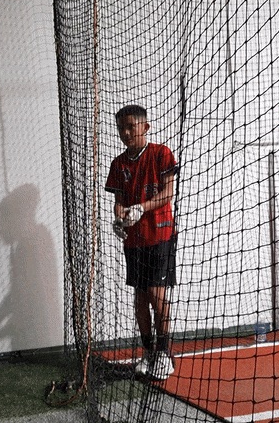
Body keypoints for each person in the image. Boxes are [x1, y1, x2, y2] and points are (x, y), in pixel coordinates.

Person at [104, 104, 178, 381]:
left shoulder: (161, 153)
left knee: (157, 294)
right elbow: (119, 202)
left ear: (145, 127)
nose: (125, 133)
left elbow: (168, 193)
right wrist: (119, 219)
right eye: (121, 128)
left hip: (159, 233)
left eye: (130, 127)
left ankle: (165, 353)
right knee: (140, 296)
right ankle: (148, 351)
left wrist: (142, 208)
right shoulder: (119, 163)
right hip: (134, 239)